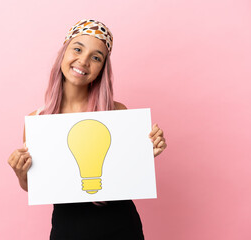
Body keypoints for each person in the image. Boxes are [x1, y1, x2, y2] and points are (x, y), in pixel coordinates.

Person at [8, 19, 167, 240]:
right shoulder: (39, 121)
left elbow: (126, 173)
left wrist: (146, 152)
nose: (83, 61)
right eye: (77, 49)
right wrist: (21, 173)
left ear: (102, 68)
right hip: (68, 229)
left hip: (121, 227)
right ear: (64, 52)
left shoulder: (116, 112)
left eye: (96, 57)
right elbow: (35, 186)